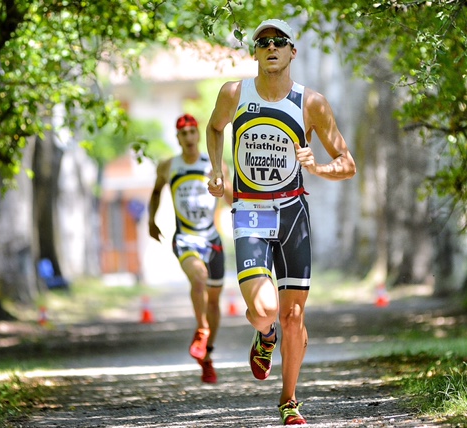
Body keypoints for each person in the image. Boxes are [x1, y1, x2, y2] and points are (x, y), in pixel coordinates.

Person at [206, 19, 356, 425]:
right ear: (255, 53)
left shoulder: (312, 103)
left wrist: (318, 167)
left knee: (294, 318)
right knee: (264, 311)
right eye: (262, 42)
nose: (270, 47)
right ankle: (264, 335)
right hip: (250, 211)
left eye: (279, 42)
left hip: (293, 213)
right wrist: (218, 171)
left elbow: (348, 164)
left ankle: (288, 401)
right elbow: (214, 128)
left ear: (292, 51)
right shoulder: (234, 94)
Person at [149, 113, 232, 384]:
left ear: (198, 135)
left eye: (193, 132)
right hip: (184, 238)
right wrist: (151, 219)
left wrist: (220, 181)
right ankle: (201, 329)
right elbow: (156, 191)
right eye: (183, 134)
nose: (189, 138)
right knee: (198, 278)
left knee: (215, 302)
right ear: (178, 138)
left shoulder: (215, 163)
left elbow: (233, 199)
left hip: (211, 239)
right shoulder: (168, 166)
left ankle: (206, 355)